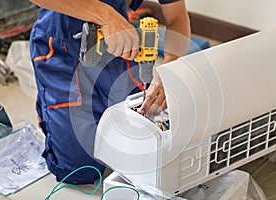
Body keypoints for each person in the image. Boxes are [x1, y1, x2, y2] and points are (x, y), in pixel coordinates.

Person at [29, 0, 190, 184]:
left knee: (140, 145)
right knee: (81, 170)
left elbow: (176, 16)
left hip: (117, 44)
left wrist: (169, 68)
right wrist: (106, 16)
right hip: (62, 44)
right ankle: (50, 106)